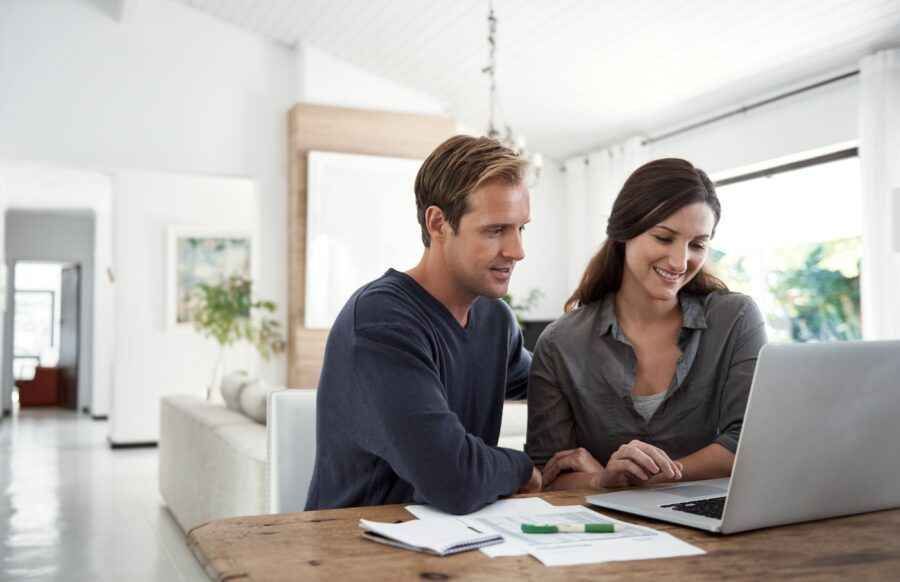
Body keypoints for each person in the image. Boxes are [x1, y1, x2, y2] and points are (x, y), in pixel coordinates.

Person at [305, 135, 541, 514]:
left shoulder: (496, 320)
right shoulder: (380, 321)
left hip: (458, 542)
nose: (517, 251)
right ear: (438, 224)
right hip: (356, 553)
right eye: (496, 230)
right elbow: (453, 479)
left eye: (521, 228)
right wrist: (525, 468)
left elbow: (554, 384)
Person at [526, 158, 767, 490]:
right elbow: (548, 473)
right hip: (611, 531)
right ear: (624, 231)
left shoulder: (736, 320)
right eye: (664, 238)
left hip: (716, 518)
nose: (680, 261)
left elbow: (749, 442)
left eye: (697, 244)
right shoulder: (560, 343)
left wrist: (645, 478)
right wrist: (602, 478)